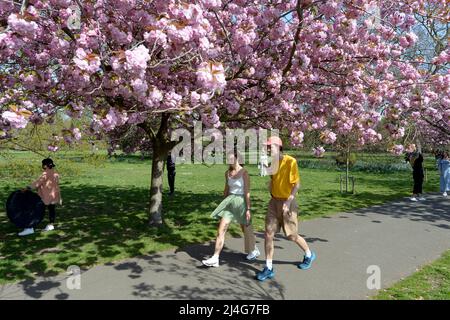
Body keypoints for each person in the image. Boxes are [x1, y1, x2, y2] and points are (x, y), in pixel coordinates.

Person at [256, 136, 316, 282]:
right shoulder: (273, 162)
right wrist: (264, 167)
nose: (269, 149)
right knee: (269, 233)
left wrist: (288, 202)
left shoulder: (290, 161)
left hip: (287, 202)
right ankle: (268, 267)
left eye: (271, 147)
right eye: (268, 147)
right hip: (274, 202)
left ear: (279, 147)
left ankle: (309, 254)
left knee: (292, 236)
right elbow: (272, 179)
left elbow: (296, 185)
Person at [202, 152, 260, 267]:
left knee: (245, 229)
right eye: (228, 159)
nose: (229, 161)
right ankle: (215, 258)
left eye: (231, 158)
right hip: (230, 203)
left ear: (237, 158)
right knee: (221, 230)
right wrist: (223, 204)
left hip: (241, 203)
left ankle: (253, 250)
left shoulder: (244, 173)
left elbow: (247, 192)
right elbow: (226, 190)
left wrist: (248, 209)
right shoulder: (227, 173)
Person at [19, 158, 62, 236]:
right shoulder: (55, 173)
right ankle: (51, 225)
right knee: (51, 209)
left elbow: (37, 183)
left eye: (43, 164)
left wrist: (27, 188)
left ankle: (30, 228)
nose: (42, 166)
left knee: (35, 211)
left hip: (45, 197)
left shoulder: (45, 174)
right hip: (53, 195)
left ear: (45, 165)